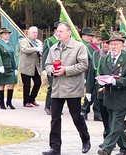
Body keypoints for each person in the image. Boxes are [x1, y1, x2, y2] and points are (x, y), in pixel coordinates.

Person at [42, 22, 90, 155]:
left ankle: (85, 139)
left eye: (61, 31)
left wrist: (66, 70)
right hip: (57, 87)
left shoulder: (78, 47)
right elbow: (47, 64)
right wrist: (51, 70)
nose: (58, 33)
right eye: (57, 31)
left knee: (76, 117)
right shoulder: (53, 48)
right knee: (55, 118)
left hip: (73, 87)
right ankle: (55, 148)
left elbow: (84, 65)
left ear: (69, 32)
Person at [97, 33, 126, 155]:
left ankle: (106, 148)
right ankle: (124, 149)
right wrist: (102, 81)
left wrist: (115, 81)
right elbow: (100, 72)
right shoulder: (104, 59)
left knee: (115, 124)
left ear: (122, 45)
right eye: (111, 44)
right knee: (116, 124)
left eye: (116, 44)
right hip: (109, 96)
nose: (113, 47)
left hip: (122, 97)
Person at [85, 29, 111, 147]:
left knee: (113, 118)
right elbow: (91, 72)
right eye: (104, 42)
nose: (105, 45)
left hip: (112, 91)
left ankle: (112, 140)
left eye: (108, 43)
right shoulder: (97, 54)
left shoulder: (114, 55)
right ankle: (107, 139)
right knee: (105, 117)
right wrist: (89, 91)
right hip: (99, 90)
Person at [0, 28, 17, 109]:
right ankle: (2, 103)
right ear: (1, 35)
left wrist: (15, 68)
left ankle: (9, 102)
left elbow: (12, 56)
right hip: (2, 67)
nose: (7, 35)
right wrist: (0, 65)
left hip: (10, 67)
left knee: (12, 83)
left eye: (8, 34)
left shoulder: (9, 44)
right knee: (2, 85)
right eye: (5, 34)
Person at [81, 30, 102, 121]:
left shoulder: (101, 49)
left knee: (98, 93)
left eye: (99, 38)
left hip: (99, 72)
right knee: (90, 92)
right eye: (96, 37)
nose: (98, 40)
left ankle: (97, 113)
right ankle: (84, 110)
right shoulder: (87, 48)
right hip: (89, 71)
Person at [19, 26, 42, 107]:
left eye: (36, 32)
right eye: (33, 32)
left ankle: (32, 98)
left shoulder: (39, 42)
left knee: (38, 82)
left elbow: (40, 52)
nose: (35, 34)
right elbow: (25, 50)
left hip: (35, 66)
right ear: (29, 33)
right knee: (27, 85)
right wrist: (35, 49)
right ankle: (26, 102)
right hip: (26, 66)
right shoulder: (24, 41)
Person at [42, 21, 60, 115]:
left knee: (58, 87)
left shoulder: (62, 41)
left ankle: (55, 107)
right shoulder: (49, 41)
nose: (59, 32)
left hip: (60, 67)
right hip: (51, 67)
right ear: (54, 31)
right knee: (52, 87)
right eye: (57, 30)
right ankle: (48, 106)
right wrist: (44, 69)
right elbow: (45, 55)